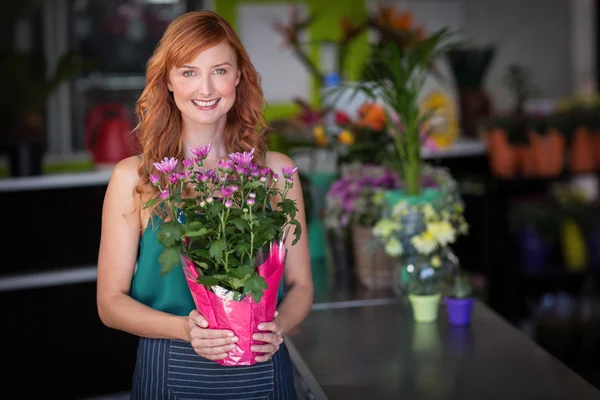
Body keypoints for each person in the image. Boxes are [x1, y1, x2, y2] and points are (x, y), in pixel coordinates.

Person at [96, 10, 313, 399]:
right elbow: (109, 304)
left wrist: (279, 326)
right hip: (170, 366)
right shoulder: (135, 179)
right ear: (168, 81)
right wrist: (185, 329)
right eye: (189, 72)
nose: (206, 88)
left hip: (263, 365)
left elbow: (301, 286)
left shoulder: (277, 172)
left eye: (220, 70)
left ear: (239, 76)